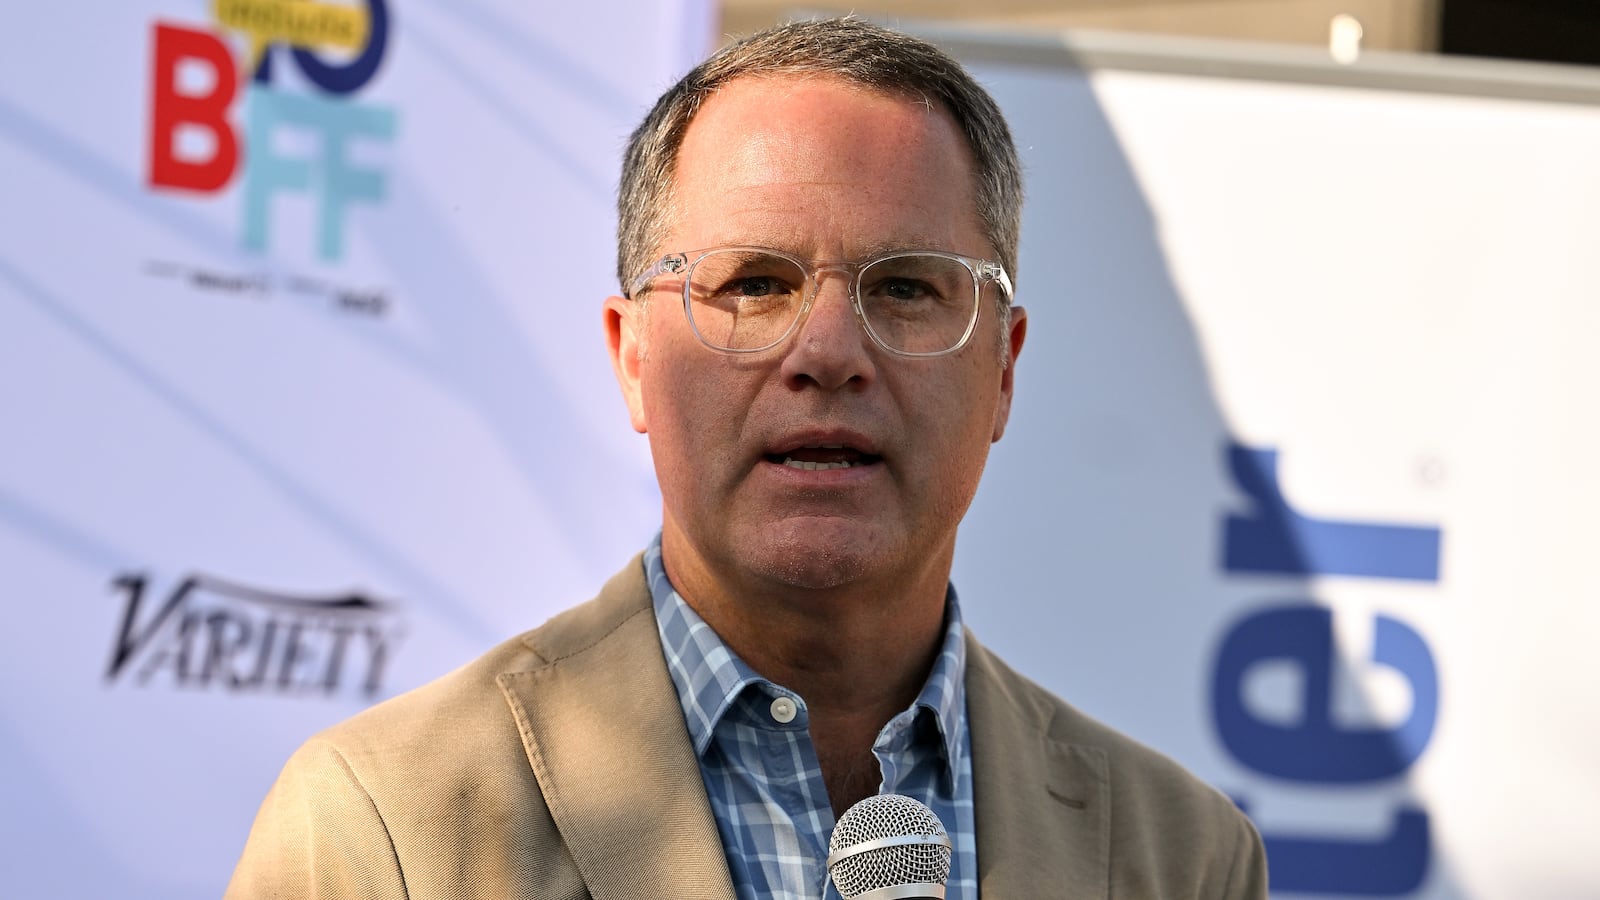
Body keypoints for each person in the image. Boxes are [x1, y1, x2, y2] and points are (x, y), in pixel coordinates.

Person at [227, 17, 1267, 899]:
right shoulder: (389, 830)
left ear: (1002, 369)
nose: (826, 352)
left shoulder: (1176, 857)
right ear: (632, 357)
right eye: (753, 283)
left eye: (906, 287)